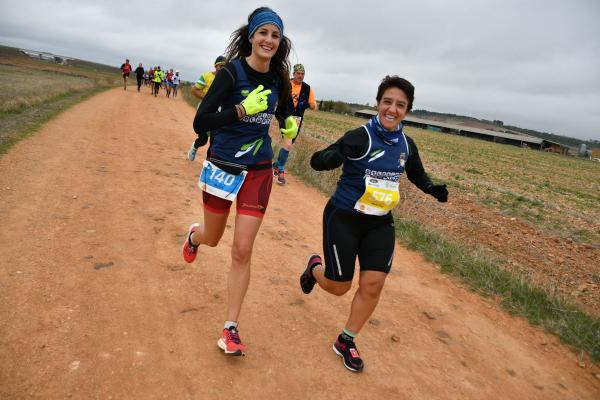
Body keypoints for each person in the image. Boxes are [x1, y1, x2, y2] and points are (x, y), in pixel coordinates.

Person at [299, 75, 448, 372]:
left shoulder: (407, 144)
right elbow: (318, 161)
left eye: (400, 105)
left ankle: (346, 340)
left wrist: (432, 189)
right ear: (378, 104)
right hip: (344, 216)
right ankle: (315, 268)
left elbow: (416, 173)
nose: (392, 109)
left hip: (380, 222)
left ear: (407, 110)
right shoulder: (360, 136)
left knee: (373, 284)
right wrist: (337, 154)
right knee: (340, 287)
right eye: (387, 102)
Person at [182, 6, 297, 356]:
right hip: (223, 165)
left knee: (242, 248)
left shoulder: (278, 78)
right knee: (214, 238)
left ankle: (230, 327)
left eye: (275, 35)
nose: (269, 40)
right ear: (251, 36)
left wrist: (290, 124)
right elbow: (201, 122)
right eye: (263, 33)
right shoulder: (231, 74)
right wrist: (241, 111)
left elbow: (283, 110)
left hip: (259, 169)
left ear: (280, 42)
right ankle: (194, 236)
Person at [272, 63, 318, 185]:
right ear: (293, 74)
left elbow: (314, 106)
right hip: (284, 115)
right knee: (287, 143)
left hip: (297, 118)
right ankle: (281, 170)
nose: (301, 76)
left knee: (289, 144)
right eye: (298, 73)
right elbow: (275, 97)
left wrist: (306, 104)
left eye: (303, 74)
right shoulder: (286, 84)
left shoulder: (307, 88)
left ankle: (276, 164)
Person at [186, 55, 227, 161]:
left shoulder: (228, 79)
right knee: (203, 139)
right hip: (204, 110)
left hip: (218, 113)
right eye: (220, 66)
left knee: (214, 139)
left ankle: (209, 162)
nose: (222, 68)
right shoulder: (206, 76)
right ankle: (194, 147)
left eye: (224, 66)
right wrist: (209, 99)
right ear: (215, 66)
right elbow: (194, 90)